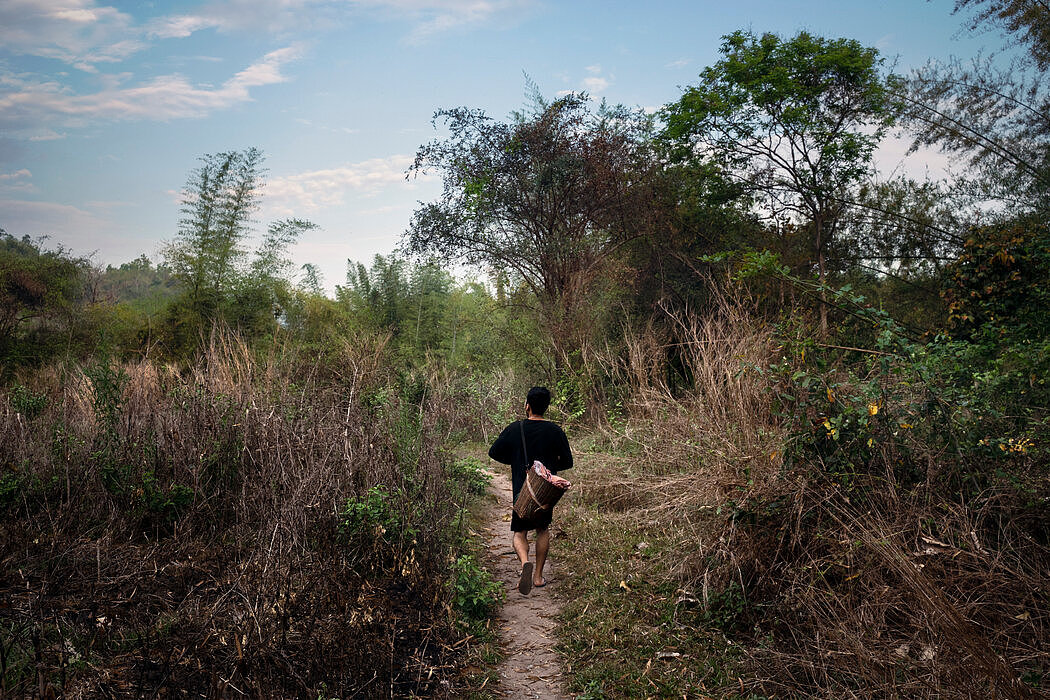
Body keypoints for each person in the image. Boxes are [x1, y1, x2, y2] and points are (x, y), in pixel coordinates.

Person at [488, 386, 573, 595]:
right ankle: (537, 577)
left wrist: (515, 461)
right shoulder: (555, 431)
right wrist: (548, 470)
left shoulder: (515, 429)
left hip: (522, 491)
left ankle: (525, 562)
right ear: (546, 407)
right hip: (545, 494)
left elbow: (494, 452)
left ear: (527, 406)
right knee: (543, 529)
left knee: (519, 532)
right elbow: (568, 462)